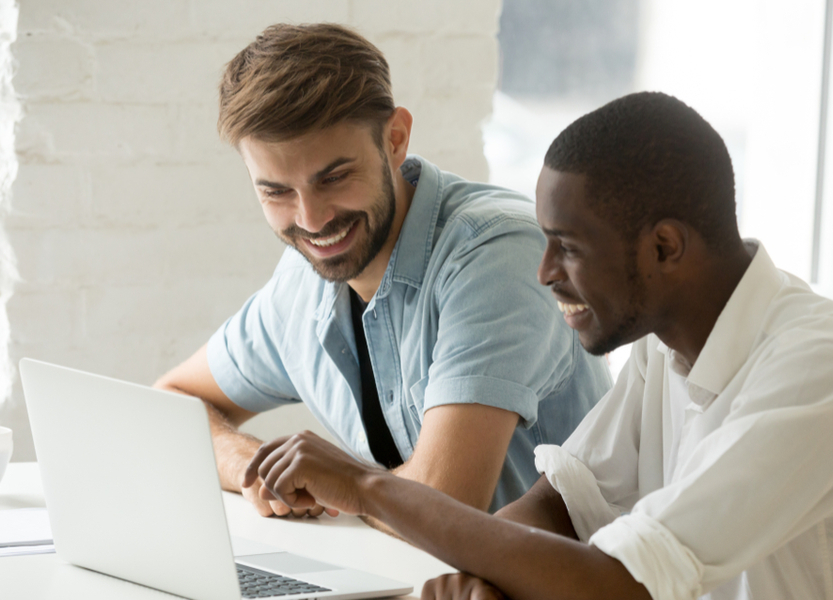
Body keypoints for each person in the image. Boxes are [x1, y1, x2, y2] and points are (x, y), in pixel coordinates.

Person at [242, 92, 833, 599]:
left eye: (567, 248)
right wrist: (485, 579)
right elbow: (561, 505)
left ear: (665, 247)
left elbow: (618, 583)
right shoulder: (666, 348)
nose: (544, 273)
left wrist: (366, 487)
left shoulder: (819, 368)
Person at [153, 22, 612, 524]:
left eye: (334, 177)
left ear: (395, 139)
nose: (311, 219)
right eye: (276, 191)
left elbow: (448, 501)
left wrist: (343, 484)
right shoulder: (300, 284)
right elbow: (171, 402)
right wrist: (254, 468)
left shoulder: (497, 253)